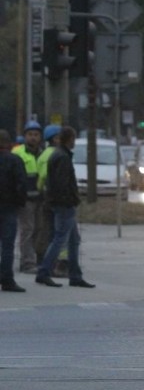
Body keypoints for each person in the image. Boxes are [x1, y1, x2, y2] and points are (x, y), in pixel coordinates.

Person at [35, 126, 95, 289]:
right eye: (73, 139)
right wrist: (71, 199)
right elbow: (62, 184)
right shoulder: (62, 157)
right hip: (64, 205)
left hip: (61, 203)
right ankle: (44, 271)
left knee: (74, 240)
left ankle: (75, 275)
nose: (74, 142)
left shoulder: (59, 155)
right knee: (60, 239)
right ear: (69, 140)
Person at [36, 124, 68, 275]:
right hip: (58, 198)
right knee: (61, 232)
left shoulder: (43, 155)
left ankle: (45, 259)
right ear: (55, 139)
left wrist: (40, 190)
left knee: (48, 229)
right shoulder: (59, 154)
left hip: (45, 197)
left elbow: (40, 179)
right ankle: (59, 263)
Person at [13, 119, 44, 274]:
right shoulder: (18, 152)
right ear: (25, 136)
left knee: (38, 229)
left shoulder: (43, 153)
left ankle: (35, 259)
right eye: (30, 134)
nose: (33, 137)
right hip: (25, 199)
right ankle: (27, 263)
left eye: (36, 135)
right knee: (27, 230)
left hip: (40, 198)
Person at [0, 129, 28, 292]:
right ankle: (7, 279)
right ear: (9, 144)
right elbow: (21, 184)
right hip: (9, 207)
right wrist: (20, 202)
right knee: (7, 245)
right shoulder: (15, 160)